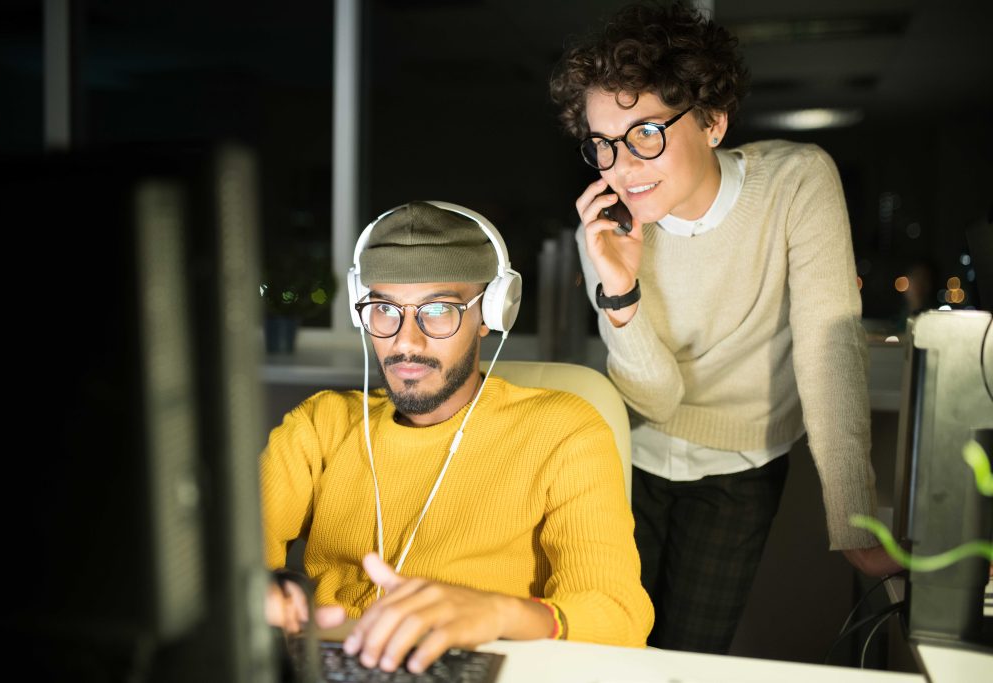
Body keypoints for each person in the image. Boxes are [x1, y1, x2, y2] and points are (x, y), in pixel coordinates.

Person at [549, 1, 900, 654]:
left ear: (712, 121)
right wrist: (619, 290)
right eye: (603, 143)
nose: (621, 167)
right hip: (627, 456)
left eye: (646, 132)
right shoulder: (604, 231)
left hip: (742, 468)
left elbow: (830, 347)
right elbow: (654, 399)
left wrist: (853, 521)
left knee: (686, 657)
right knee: (604, 650)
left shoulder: (797, 182)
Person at [260, 200, 654, 673]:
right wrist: (263, 596)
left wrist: (496, 613)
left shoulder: (564, 430)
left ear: (492, 310)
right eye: (384, 309)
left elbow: (618, 617)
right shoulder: (320, 424)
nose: (406, 341)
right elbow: (222, 566)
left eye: (439, 310)